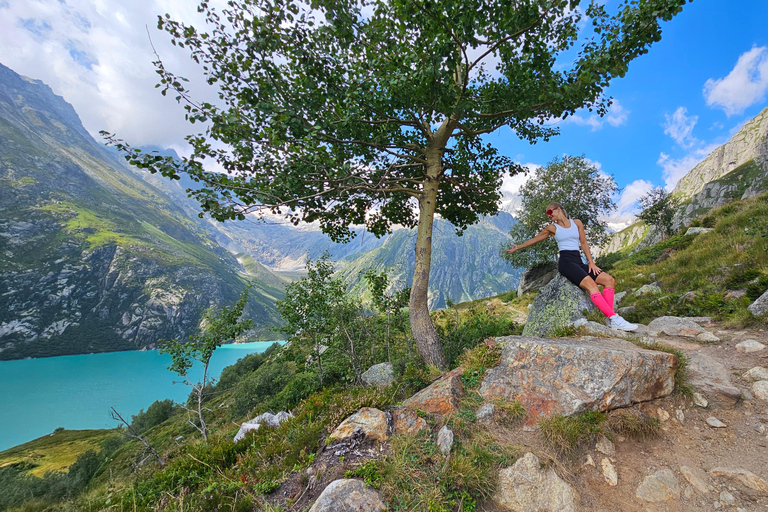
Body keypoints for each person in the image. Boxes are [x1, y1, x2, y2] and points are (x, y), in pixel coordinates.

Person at [506, 202, 638, 331]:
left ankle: (610, 319)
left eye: (550, 212)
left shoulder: (577, 223)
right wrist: (518, 247)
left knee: (609, 280)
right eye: (548, 215)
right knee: (591, 285)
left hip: (578, 261)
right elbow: (535, 239)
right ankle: (614, 318)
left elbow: (584, 243)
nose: (549, 216)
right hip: (566, 263)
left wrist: (591, 263)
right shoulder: (552, 228)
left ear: (559, 209)